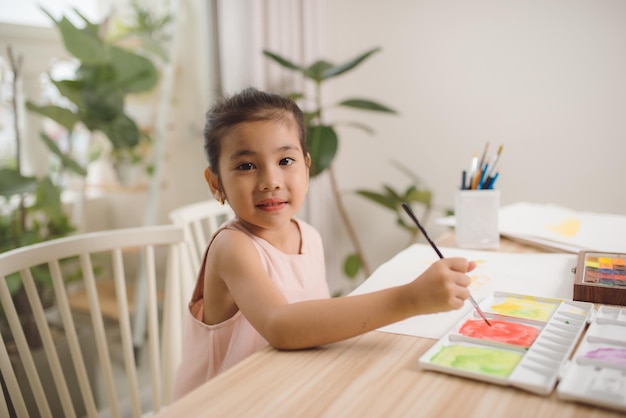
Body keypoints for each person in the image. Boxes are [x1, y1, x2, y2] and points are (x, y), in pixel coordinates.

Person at [172, 88, 476, 399]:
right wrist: (410, 299)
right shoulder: (232, 247)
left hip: (286, 391)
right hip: (221, 405)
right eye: (247, 166)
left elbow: (316, 325)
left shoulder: (309, 236)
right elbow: (281, 326)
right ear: (215, 183)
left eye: (285, 160)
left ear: (307, 166)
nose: (271, 180)